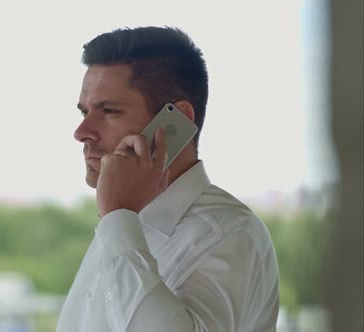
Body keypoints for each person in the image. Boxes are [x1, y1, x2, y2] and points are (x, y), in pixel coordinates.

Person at [57, 26, 280, 332]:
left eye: (108, 110)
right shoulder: (123, 226)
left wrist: (118, 218)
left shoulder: (231, 234)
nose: (82, 132)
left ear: (175, 121)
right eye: (84, 112)